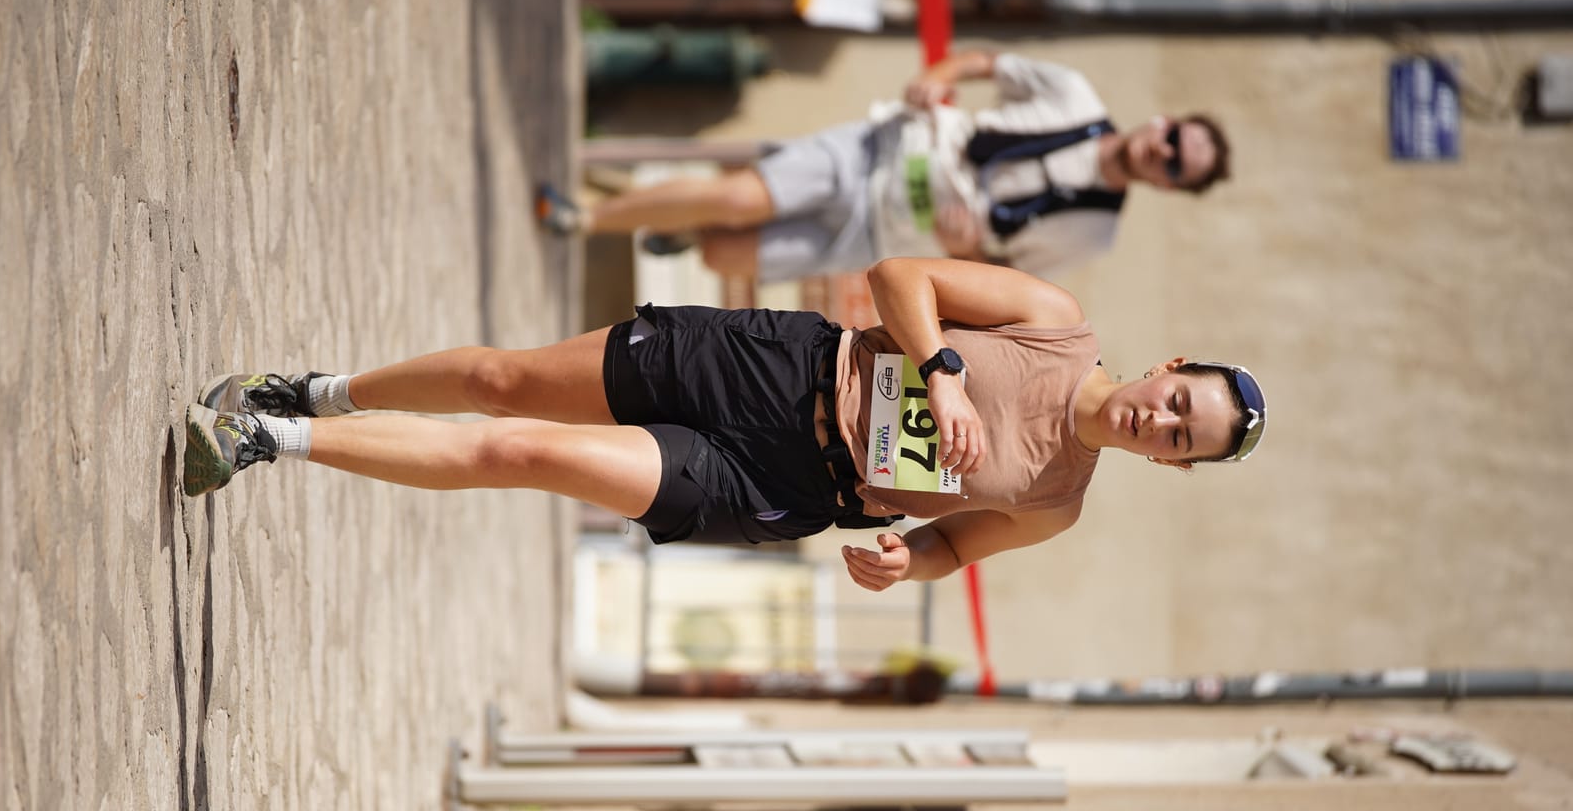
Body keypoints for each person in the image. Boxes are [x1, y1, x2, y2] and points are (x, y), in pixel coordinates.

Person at [182, 259, 1266, 591]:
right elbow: (899, 276)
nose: (1157, 420)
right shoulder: (1054, 323)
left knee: (523, 453)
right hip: (770, 364)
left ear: (1170, 467)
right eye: (1178, 401)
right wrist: (937, 371)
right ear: (1166, 367)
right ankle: (321, 391)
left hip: (779, 484)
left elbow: (946, 546)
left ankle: (263, 441)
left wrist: (902, 560)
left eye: (1179, 438)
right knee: (508, 383)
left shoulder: (1051, 504)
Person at [538, 48, 1231, 284]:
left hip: (885, 239)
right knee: (738, 198)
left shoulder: (1093, 233)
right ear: (1163, 124)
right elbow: (985, 63)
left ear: (1171, 188)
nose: (1161, 155)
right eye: (1173, 141)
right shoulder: (1075, 93)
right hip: (880, 157)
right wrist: (934, 77)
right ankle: (587, 217)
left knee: (722, 254)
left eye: (1176, 168)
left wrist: (967, 254)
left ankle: (681, 228)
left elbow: (1007, 281)